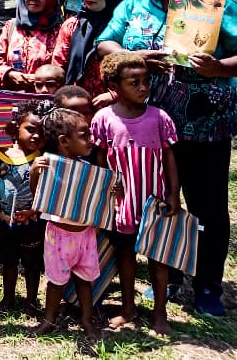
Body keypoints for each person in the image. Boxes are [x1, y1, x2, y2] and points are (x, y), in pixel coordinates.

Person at [96, 0, 237, 317]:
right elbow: (106, 43)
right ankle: (170, 279)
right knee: (161, 203)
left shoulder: (215, 2)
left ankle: (207, 285)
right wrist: (137, 54)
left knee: (207, 205)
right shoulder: (135, 4)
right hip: (148, 128)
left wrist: (219, 66)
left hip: (203, 125)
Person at [90, 51, 179, 334]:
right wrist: (105, 189)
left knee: (158, 258)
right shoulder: (104, 118)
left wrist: (174, 194)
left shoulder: (159, 117)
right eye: (134, 82)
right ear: (114, 87)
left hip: (155, 201)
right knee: (125, 255)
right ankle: (128, 308)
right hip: (122, 204)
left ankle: (160, 313)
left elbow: (169, 160)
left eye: (145, 81)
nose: (143, 88)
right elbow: (101, 160)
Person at [30, 108, 101, 339]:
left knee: (84, 281)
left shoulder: (90, 171)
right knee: (55, 282)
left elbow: (97, 201)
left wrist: (113, 190)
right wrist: (34, 173)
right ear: (64, 141)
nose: (91, 140)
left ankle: (87, 321)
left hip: (86, 236)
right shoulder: (49, 167)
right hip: (58, 236)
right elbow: (39, 199)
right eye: (84, 135)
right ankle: (49, 320)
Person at [0, 100, 47, 316]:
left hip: (32, 223)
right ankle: (8, 298)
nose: (35, 136)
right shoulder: (0, 156)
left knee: (32, 264)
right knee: (9, 261)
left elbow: (46, 192)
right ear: (16, 129)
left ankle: (31, 301)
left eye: (41, 132)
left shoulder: (42, 160)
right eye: (30, 130)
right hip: (6, 222)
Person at [51, 0, 130, 97]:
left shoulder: (129, 26)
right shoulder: (73, 25)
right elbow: (59, 67)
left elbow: (139, 71)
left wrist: (114, 95)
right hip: (78, 106)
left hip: (119, 109)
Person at [0, 0, 62, 91]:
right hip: (13, 97)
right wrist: (9, 73)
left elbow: (63, 66)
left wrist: (40, 79)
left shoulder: (59, 30)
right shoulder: (11, 26)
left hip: (46, 97)